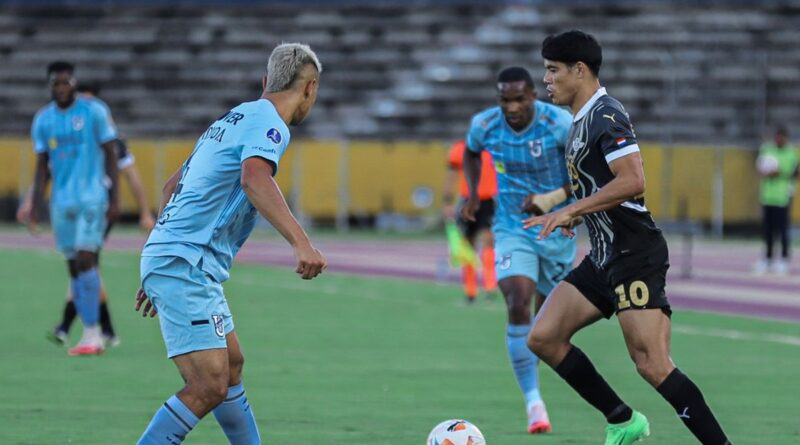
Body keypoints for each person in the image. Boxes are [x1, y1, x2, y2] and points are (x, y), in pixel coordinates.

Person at [525, 30, 732, 445]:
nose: (546, 79)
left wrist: (571, 209)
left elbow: (633, 180)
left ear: (578, 70)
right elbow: (602, 189)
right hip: (603, 256)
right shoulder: (580, 121)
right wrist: (577, 217)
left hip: (634, 254)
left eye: (552, 70)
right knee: (544, 337)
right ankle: (622, 419)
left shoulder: (606, 114)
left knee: (652, 364)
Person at [133, 43, 326, 445]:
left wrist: (161, 260)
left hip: (181, 261)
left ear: (265, 83)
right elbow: (254, 178)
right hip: (185, 263)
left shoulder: (235, 116)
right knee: (209, 384)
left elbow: (173, 186)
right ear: (310, 88)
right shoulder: (269, 124)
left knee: (231, 366)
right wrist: (301, 242)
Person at [462, 66, 575, 434]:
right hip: (512, 228)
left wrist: (551, 201)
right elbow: (471, 152)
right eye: (504, 99)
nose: (511, 107)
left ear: (533, 96)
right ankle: (533, 402)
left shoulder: (560, 123)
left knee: (545, 332)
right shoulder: (485, 125)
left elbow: (585, 174)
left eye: (518, 99)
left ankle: (535, 375)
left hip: (557, 230)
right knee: (516, 299)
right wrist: (474, 192)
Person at [19, 83, 158, 347]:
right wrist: (29, 202)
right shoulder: (67, 133)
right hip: (72, 206)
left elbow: (132, 176)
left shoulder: (109, 140)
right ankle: (100, 329)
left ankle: (78, 326)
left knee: (86, 263)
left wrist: (143, 212)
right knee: (86, 266)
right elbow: (48, 169)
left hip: (98, 207)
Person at [27, 61, 120, 356]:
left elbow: (110, 154)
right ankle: (91, 333)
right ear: (50, 85)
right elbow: (42, 166)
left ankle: (93, 333)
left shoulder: (94, 112)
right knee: (73, 267)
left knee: (85, 259)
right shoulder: (43, 120)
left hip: (92, 197)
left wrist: (114, 199)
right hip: (62, 202)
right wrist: (35, 203)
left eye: (66, 82)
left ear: (75, 83)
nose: (62, 87)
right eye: (57, 83)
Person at [442, 139, 498, 302]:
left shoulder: (493, 148)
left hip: (488, 200)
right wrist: (447, 201)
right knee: (468, 244)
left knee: (489, 241)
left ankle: (490, 286)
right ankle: (470, 290)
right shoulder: (459, 148)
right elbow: (451, 176)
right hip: (468, 200)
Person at [753, 125, 798, 275]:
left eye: (781, 137)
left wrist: (772, 171)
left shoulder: (790, 153)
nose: (778, 139)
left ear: (785, 138)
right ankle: (767, 258)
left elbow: (784, 171)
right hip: (767, 196)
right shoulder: (767, 149)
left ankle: (784, 260)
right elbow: (761, 167)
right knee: (767, 231)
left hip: (782, 197)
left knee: (782, 230)